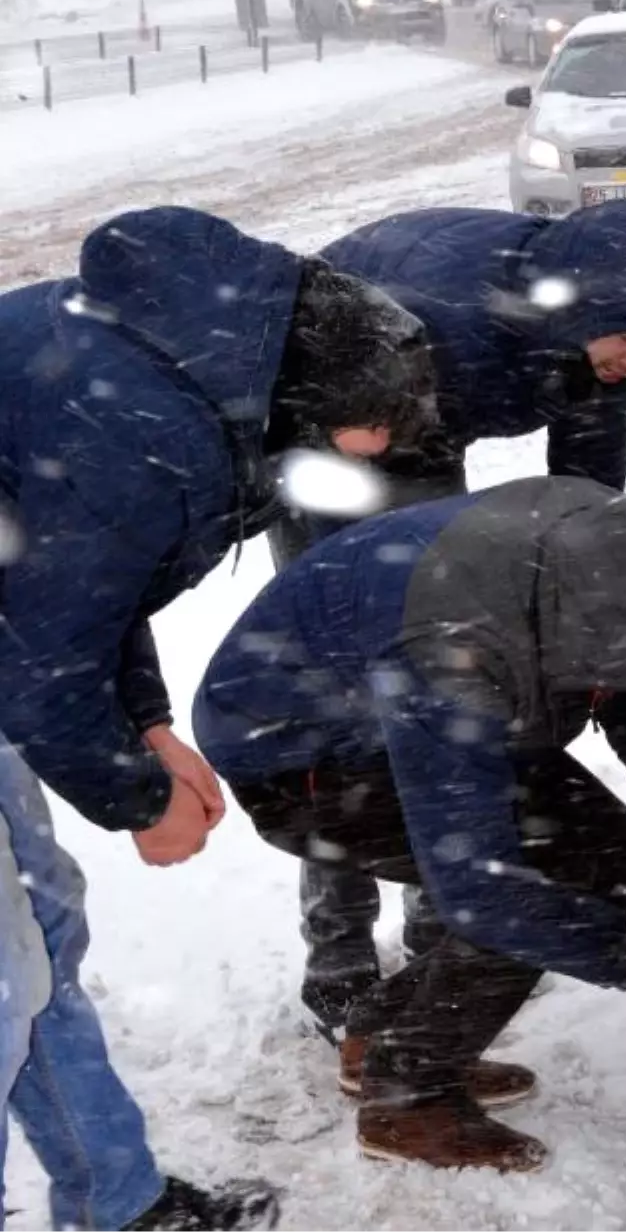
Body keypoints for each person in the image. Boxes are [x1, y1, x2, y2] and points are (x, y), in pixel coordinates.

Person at [0, 206, 436, 1231]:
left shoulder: (183, 369)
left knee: (34, 927)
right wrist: (139, 798)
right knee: (7, 961)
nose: (373, 450)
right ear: (322, 392)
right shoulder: (155, 432)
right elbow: (44, 664)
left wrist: (146, 723)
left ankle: (116, 1203)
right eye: (370, 427)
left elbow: (80, 584)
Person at [193, 476, 626, 1173]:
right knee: (532, 881)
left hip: (406, 708)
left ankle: (382, 1033)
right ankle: (407, 1098)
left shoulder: (598, 552)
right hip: (306, 763)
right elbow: (477, 891)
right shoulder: (451, 644)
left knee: (610, 860)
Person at [280, 199, 626, 1037]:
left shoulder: (597, 343)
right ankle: (340, 969)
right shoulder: (438, 331)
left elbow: (590, 507)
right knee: (361, 705)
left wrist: (586, 601)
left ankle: (439, 931)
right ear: (589, 301)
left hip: (426, 413)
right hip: (326, 426)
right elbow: (374, 562)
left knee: (442, 678)